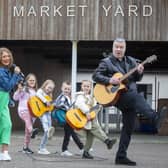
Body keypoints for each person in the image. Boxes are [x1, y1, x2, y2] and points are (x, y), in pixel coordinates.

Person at [92, 38, 168, 166]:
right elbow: (95, 76)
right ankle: (155, 119)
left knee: (128, 127)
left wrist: (139, 72)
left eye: (121, 47)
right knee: (137, 96)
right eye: (116, 47)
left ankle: (121, 156)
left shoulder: (131, 61)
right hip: (117, 96)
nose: (119, 50)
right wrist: (109, 80)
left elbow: (136, 78)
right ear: (113, 47)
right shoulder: (106, 62)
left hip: (128, 95)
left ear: (125, 48)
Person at [75, 80, 117, 159]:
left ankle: (86, 152)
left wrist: (98, 107)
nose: (86, 88)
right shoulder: (80, 96)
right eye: (84, 86)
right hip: (83, 118)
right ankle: (107, 141)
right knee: (96, 128)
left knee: (91, 136)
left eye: (88, 86)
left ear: (90, 88)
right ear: (81, 86)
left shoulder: (92, 98)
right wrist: (87, 112)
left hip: (90, 118)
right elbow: (81, 104)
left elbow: (93, 109)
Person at [0, 47, 22, 161]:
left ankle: (4, 152)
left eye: (8, 56)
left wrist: (9, 100)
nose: (6, 58)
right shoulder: (0, 71)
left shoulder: (7, 70)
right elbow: (7, 86)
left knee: (7, 124)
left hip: (3, 100)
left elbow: (7, 90)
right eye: (4, 56)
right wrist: (16, 75)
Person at [54, 81, 84, 156]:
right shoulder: (63, 97)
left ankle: (65, 150)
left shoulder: (66, 96)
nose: (66, 90)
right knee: (72, 133)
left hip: (67, 118)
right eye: (65, 88)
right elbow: (61, 104)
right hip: (65, 117)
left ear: (70, 90)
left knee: (68, 134)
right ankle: (82, 147)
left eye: (68, 89)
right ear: (62, 88)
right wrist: (68, 109)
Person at [13, 73, 39, 154]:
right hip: (23, 110)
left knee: (27, 131)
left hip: (32, 113)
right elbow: (15, 98)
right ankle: (32, 131)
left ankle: (26, 147)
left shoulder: (35, 91)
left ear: (35, 82)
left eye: (33, 80)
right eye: (30, 80)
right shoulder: (24, 89)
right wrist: (19, 90)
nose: (32, 81)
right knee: (28, 123)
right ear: (27, 81)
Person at [36, 79, 55, 155]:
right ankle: (41, 148)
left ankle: (42, 148)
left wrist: (51, 105)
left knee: (48, 131)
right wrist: (45, 101)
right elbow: (38, 95)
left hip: (48, 113)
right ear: (45, 85)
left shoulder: (49, 95)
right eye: (48, 87)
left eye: (51, 88)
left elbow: (49, 106)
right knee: (46, 129)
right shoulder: (40, 91)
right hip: (42, 113)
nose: (49, 89)